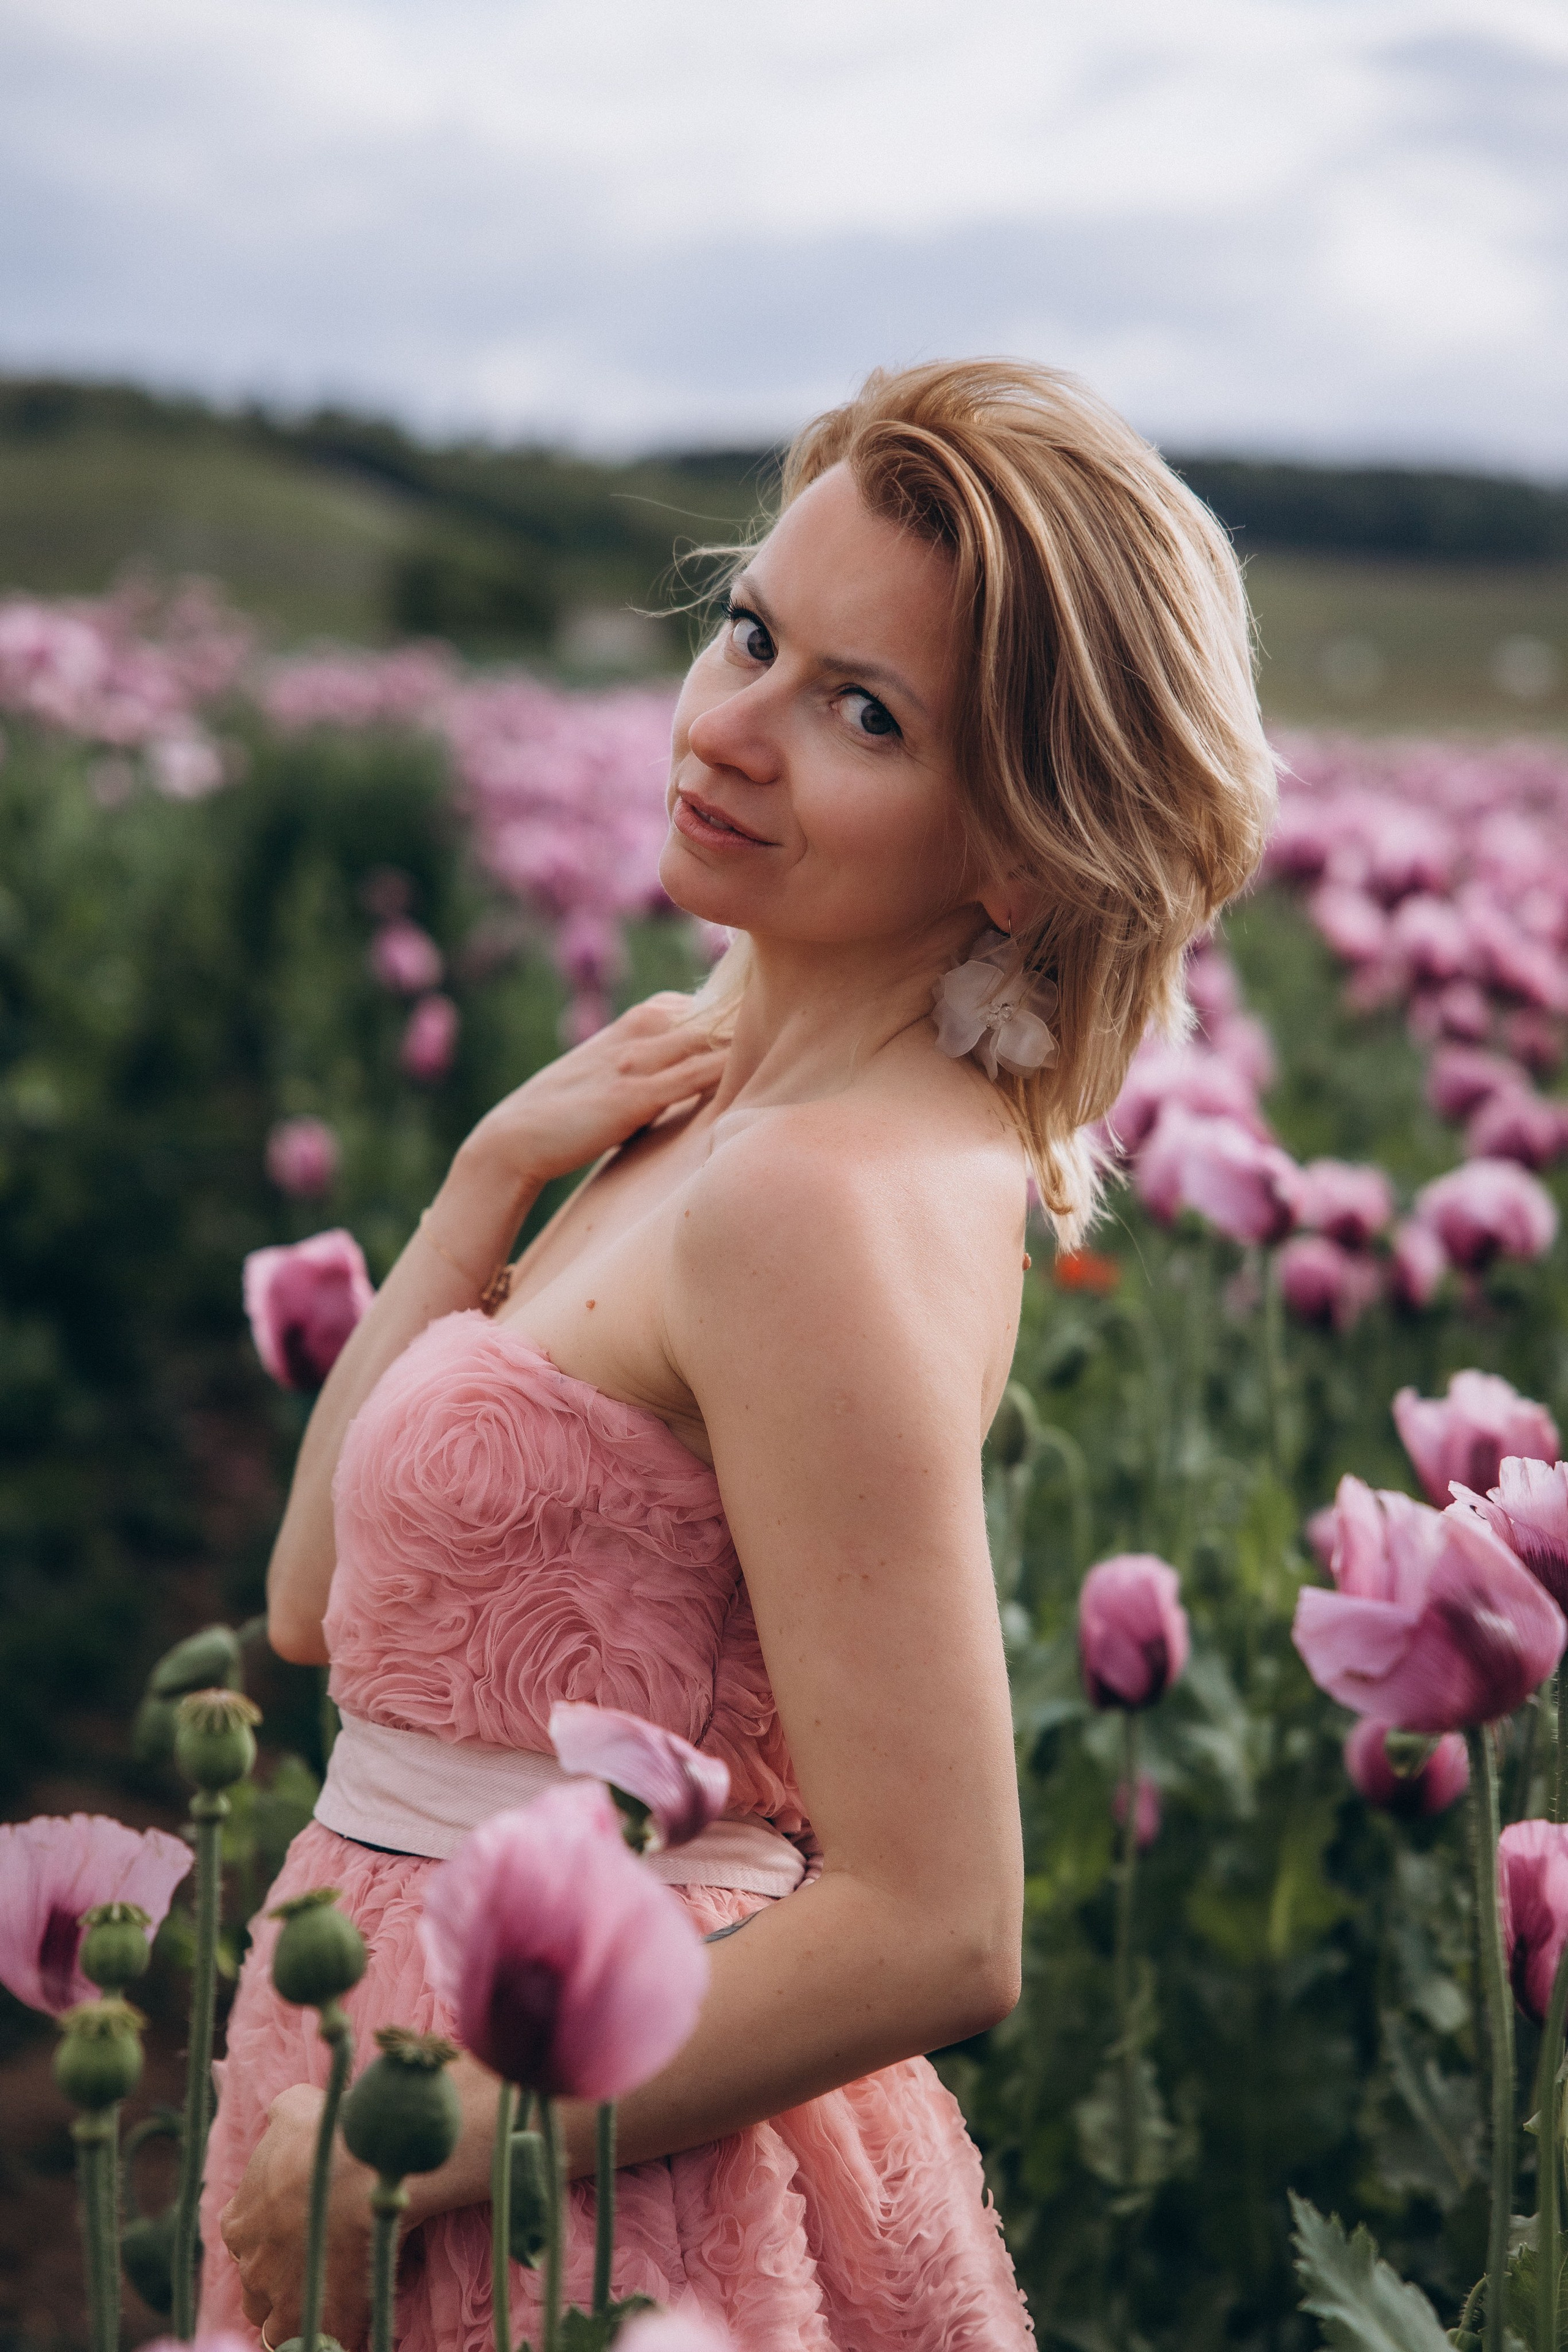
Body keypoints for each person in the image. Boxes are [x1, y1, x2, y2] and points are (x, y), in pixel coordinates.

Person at [208, 358, 1276, 2350]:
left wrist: (419, 2136)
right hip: (434, 2059)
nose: (734, 730)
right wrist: (479, 1190)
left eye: (864, 712)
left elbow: (944, 1923)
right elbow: (312, 1612)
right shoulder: (708, 1109)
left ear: (1020, 849)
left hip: (571, 2171)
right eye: (754, 635)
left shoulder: (819, 1201)